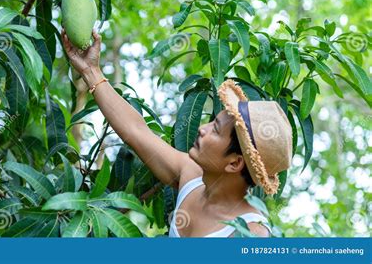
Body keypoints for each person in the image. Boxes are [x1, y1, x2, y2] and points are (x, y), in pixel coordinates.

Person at [62, 30, 293, 237]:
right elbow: (136, 131)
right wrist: (90, 70)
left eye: (216, 130)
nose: (202, 129)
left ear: (235, 163)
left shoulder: (250, 235)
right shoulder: (191, 176)